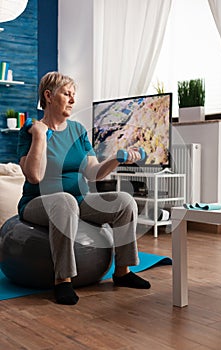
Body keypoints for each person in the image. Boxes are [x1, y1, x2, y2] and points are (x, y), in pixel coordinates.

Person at [17, 71, 151, 306]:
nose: (72, 100)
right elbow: (34, 176)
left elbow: (92, 172)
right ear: (49, 96)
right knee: (64, 200)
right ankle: (63, 280)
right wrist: (40, 135)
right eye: (67, 94)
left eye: (73, 95)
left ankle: (122, 271)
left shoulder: (77, 130)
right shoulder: (31, 130)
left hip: (78, 200)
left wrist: (117, 160)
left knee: (124, 201)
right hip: (37, 202)